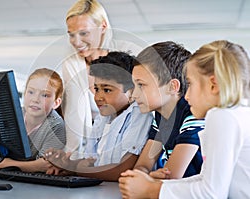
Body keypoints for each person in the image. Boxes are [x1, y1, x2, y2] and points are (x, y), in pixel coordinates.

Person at [119, 40, 250, 198]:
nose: (186, 95)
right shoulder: (235, 114)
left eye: (190, 83)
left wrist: (151, 189)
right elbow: (204, 181)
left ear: (213, 85)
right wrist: (153, 184)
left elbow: (211, 193)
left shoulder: (221, 116)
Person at [45, 51, 153, 181]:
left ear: (131, 91)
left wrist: (75, 171)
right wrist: (65, 165)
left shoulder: (140, 115)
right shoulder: (104, 116)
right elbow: (91, 162)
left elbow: (123, 171)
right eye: (96, 89)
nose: (98, 97)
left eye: (107, 90)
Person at [61, 0, 144, 157]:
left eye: (83, 33)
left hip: (129, 139)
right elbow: (74, 113)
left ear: (103, 27)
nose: (76, 42)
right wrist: (72, 156)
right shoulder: (72, 64)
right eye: (71, 35)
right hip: (95, 142)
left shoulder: (130, 53)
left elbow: (142, 105)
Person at [127, 41, 205, 181]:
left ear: (172, 86)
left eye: (141, 85)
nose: (134, 95)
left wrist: (148, 177)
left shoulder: (193, 115)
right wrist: (146, 175)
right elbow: (142, 166)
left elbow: (172, 176)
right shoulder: (161, 117)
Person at [0, 68, 66, 173]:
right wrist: (33, 165)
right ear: (24, 93)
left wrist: (5, 163)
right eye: (31, 92)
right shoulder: (10, 116)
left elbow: (45, 166)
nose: (35, 99)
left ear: (56, 103)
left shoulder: (57, 126)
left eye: (44, 95)